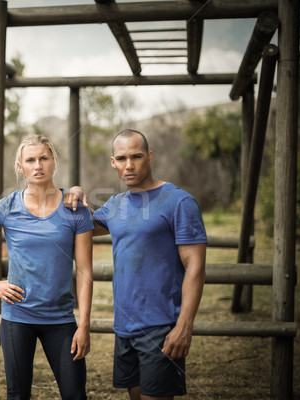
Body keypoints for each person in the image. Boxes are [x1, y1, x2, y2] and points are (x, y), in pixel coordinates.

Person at [64, 129, 207, 400]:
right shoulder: (116, 204)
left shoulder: (179, 202)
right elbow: (81, 225)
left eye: (137, 156)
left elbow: (196, 268)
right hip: (125, 327)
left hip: (161, 326)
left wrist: (184, 326)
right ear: (113, 162)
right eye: (122, 158)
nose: (129, 165)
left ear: (150, 157)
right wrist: (74, 192)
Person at [0, 135, 94, 400]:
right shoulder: (8, 206)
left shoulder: (75, 209)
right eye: (30, 160)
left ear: (54, 162)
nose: (37, 165)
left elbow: (85, 272)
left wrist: (83, 324)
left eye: (44, 158)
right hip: (18, 318)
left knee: (75, 394)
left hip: (61, 319)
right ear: (20, 166)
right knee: (17, 395)